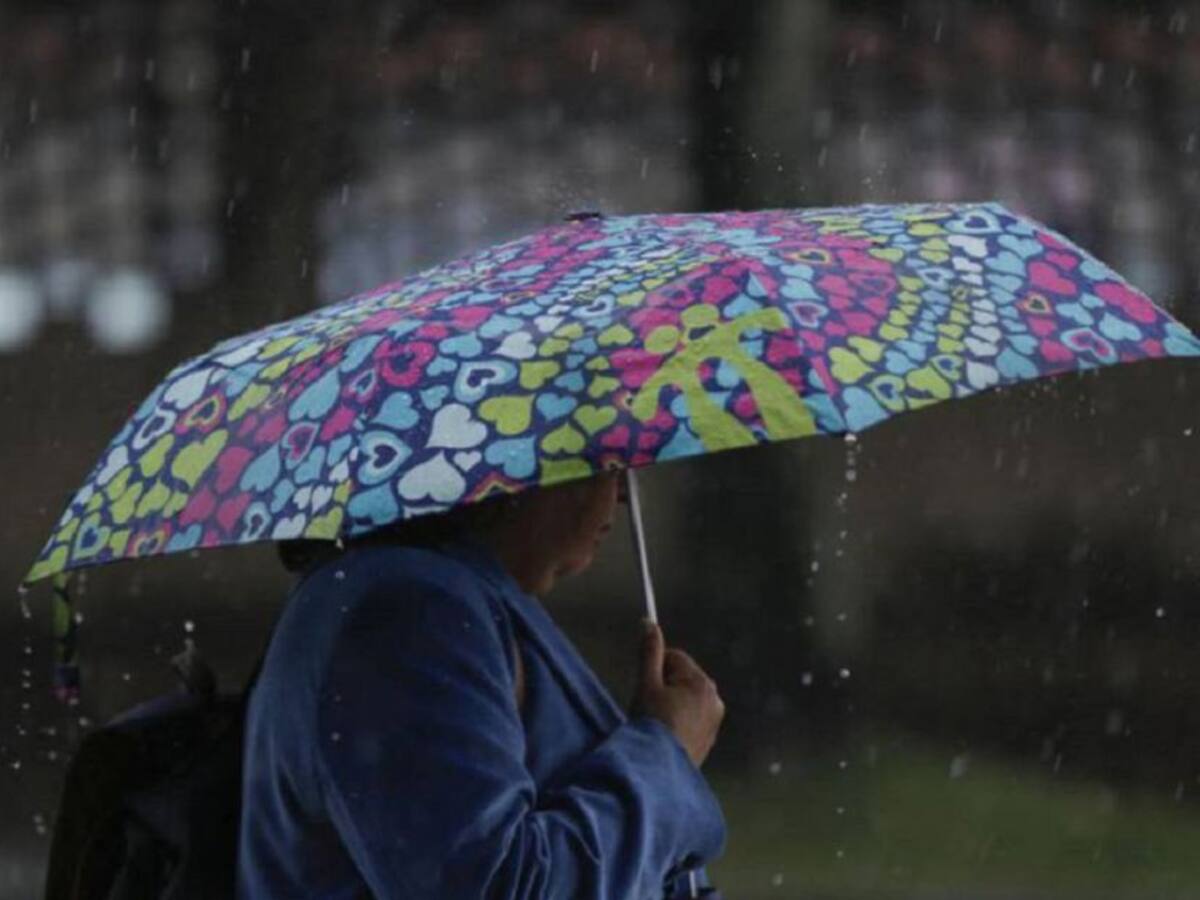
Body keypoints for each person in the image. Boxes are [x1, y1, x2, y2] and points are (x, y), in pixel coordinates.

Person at [238, 469, 727, 898]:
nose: (620, 492)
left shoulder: (451, 595)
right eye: (602, 463)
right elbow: (499, 886)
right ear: (525, 465)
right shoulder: (410, 616)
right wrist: (664, 758)